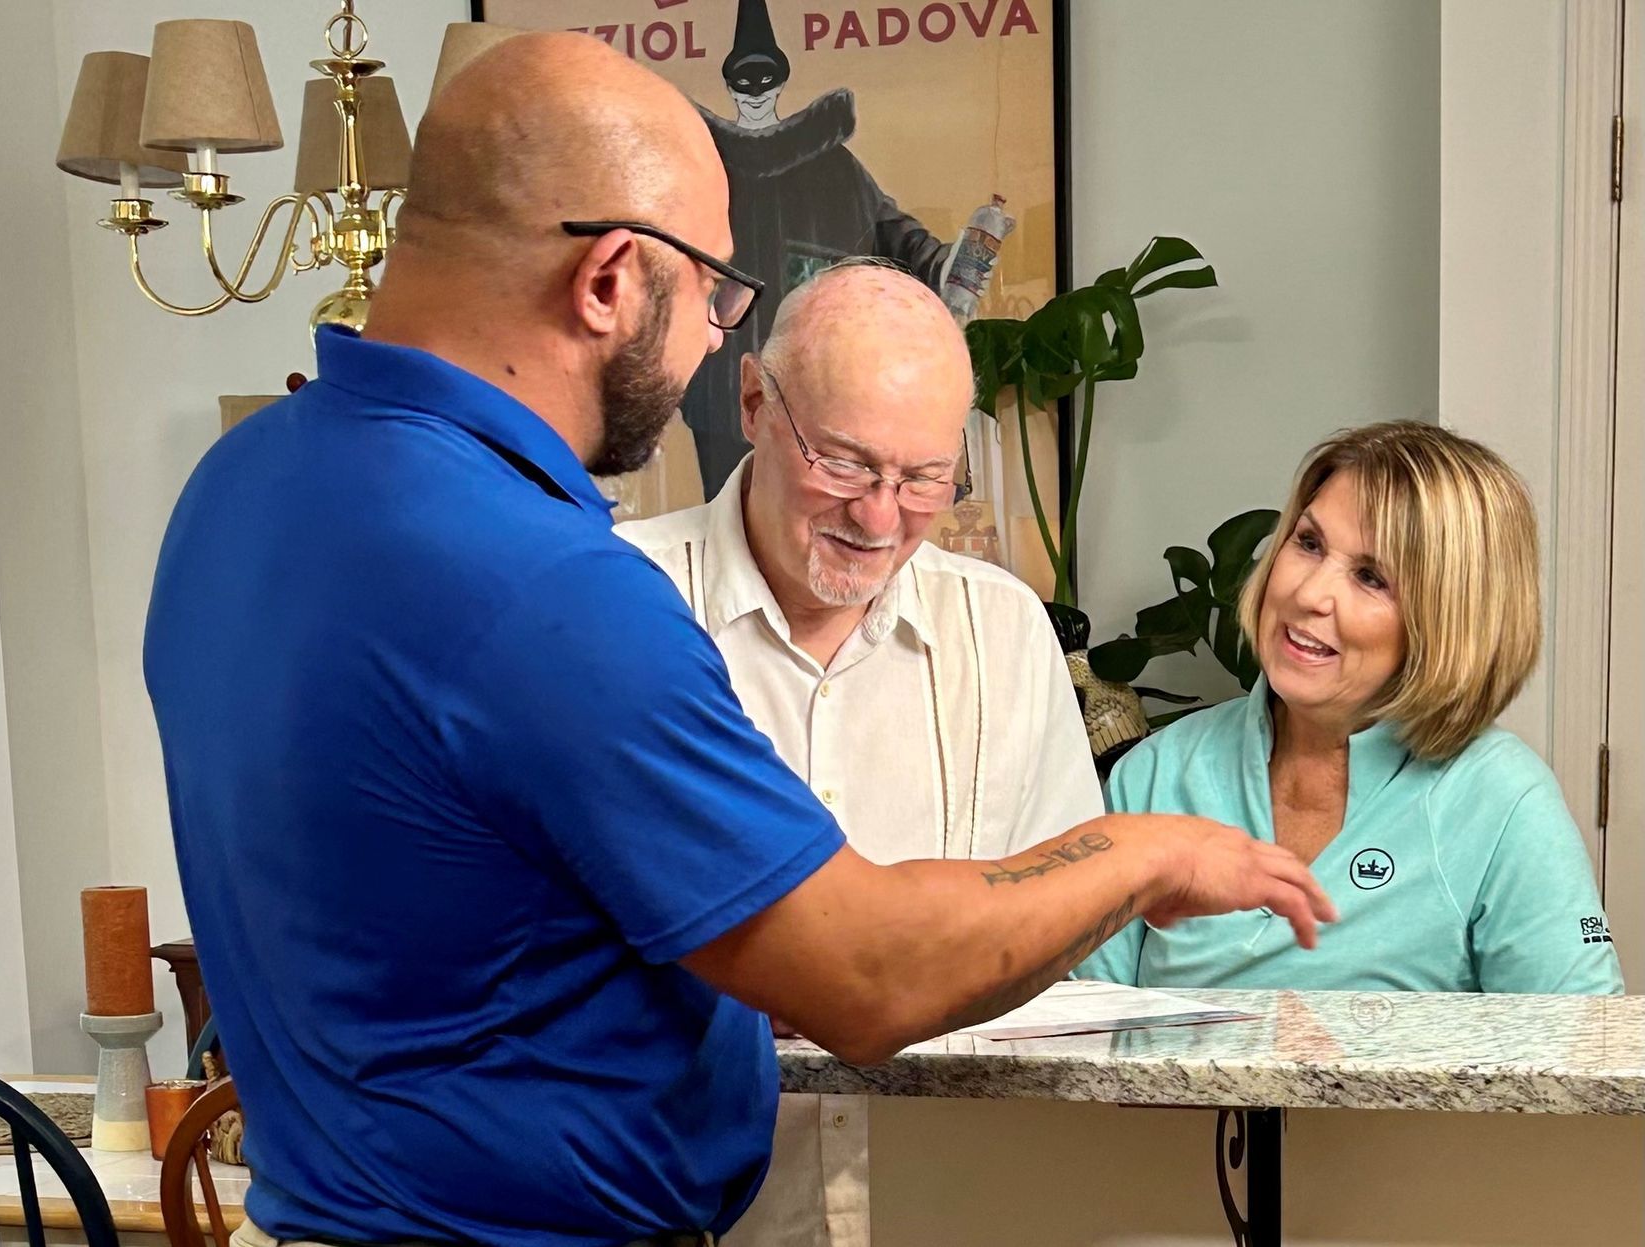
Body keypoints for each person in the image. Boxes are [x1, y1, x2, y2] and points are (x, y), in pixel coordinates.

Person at [144, 32, 1334, 1247]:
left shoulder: (235, 492)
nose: (716, 335)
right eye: (712, 290)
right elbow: (867, 976)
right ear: (609, 279)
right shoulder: (548, 585)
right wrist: (1140, 849)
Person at [617, 260, 1101, 1247]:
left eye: (923, 476)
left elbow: (1060, 930)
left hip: (959, 1207)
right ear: (753, 401)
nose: (880, 517)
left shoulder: (1003, 628)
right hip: (686, 1216)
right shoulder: (618, 603)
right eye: (843, 462)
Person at [1077, 422, 1623, 995]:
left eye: (1371, 578)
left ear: (1450, 622)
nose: (1309, 594)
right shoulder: (1155, 775)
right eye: (1308, 543)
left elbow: (1576, 1059)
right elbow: (1082, 1039)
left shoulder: (1501, 799)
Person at [681, 0, 956, 488]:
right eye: (744, 80)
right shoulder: (699, 166)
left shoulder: (834, 167)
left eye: (764, 78)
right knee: (721, 509)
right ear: (728, 85)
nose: (754, 92)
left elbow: (896, 233)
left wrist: (949, 265)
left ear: (781, 80)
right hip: (720, 384)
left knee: (814, 501)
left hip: (818, 382)